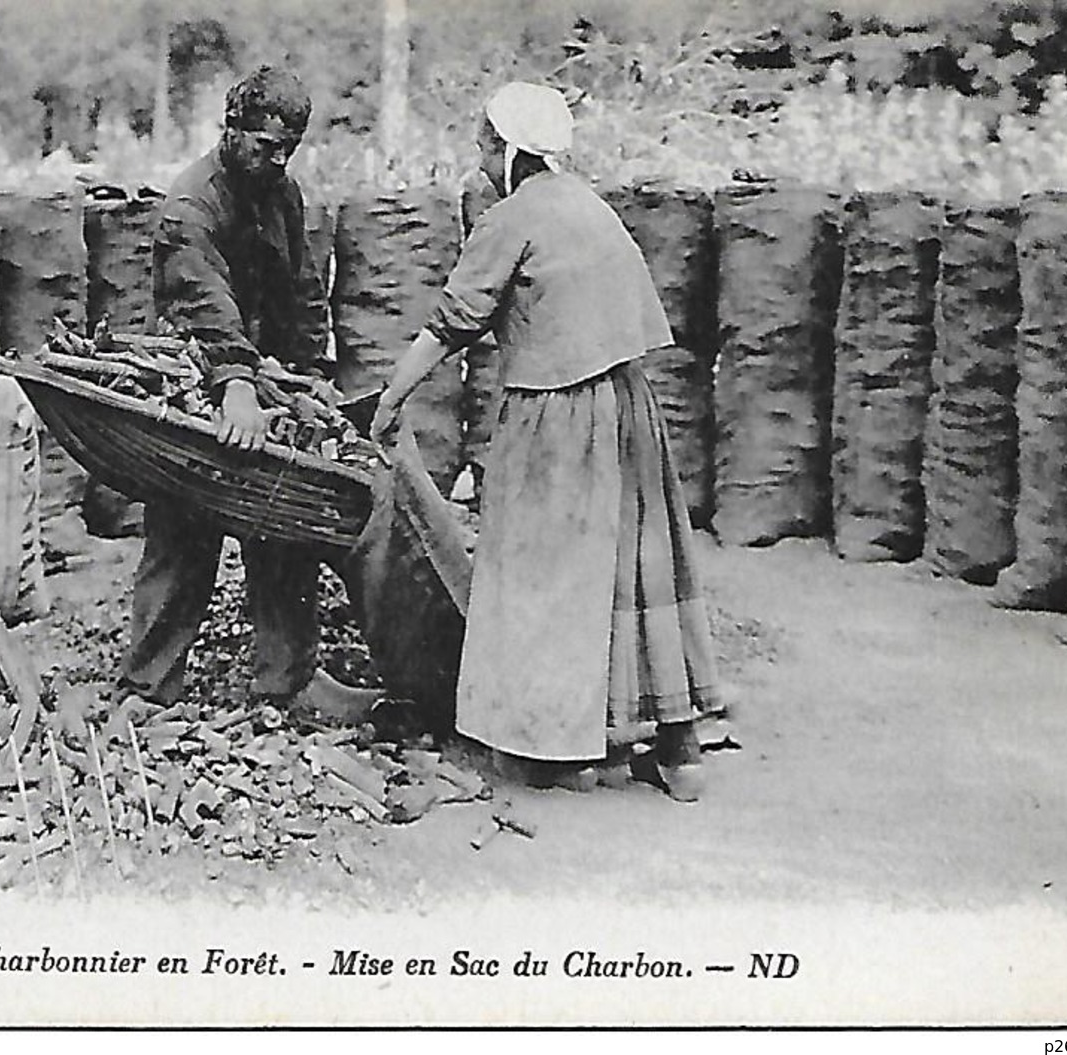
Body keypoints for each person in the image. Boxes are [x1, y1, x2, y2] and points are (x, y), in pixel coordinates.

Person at [371, 82, 724, 801]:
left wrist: (389, 398)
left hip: (557, 413)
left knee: (540, 572)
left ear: (506, 152)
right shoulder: (589, 207)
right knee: (634, 564)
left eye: (481, 145)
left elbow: (450, 324)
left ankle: (553, 751)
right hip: (629, 407)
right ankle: (676, 744)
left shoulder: (512, 217)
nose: (476, 157)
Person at [119, 66, 381, 722]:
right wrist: (233, 384)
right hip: (196, 377)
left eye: (287, 147)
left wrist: (310, 376)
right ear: (230, 129)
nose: (276, 158)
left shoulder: (281, 194)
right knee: (183, 531)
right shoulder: (192, 206)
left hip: (267, 381)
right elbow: (199, 301)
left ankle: (287, 682)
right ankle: (146, 687)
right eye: (264, 145)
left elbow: (301, 288)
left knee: (284, 523)